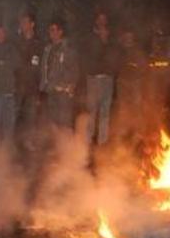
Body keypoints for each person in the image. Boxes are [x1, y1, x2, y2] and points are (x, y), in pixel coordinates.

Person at [84, 15, 119, 145]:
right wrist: (101, 40)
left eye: (105, 19)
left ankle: (102, 143)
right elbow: (91, 57)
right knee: (92, 112)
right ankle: (87, 143)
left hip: (107, 80)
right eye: (100, 19)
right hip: (94, 79)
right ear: (96, 21)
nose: (103, 22)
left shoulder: (110, 39)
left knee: (105, 113)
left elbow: (115, 57)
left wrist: (105, 41)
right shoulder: (90, 38)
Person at [40, 19, 80, 129]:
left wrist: (70, 85)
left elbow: (75, 70)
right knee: (52, 123)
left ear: (60, 32)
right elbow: (44, 69)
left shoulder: (68, 50)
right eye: (50, 30)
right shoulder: (47, 49)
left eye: (53, 30)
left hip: (63, 93)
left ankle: (66, 144)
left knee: (64, 122)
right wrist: (43, 85)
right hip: (51, 90)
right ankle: (56, 145)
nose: (51, 33)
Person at [15, 13, 43, 145]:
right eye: (22, 22)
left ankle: (29, 140)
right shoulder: (16, 42)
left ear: (32, 24)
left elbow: (42, 65)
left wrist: (40, 86)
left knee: (31, 115)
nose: (23, 25)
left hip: (32, 85)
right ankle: (12, 142)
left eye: (26, 22)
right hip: (18, 84)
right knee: (14, 113)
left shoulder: (39, 43)